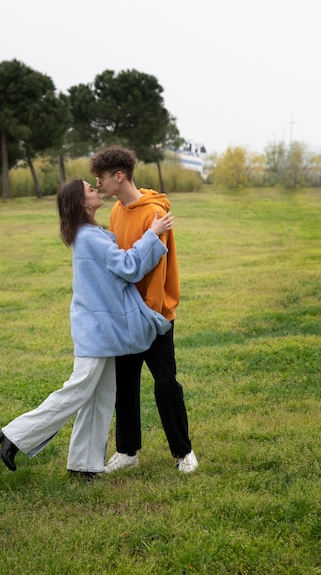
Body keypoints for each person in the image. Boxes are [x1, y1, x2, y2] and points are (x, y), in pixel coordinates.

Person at [0, 178, 173, 477]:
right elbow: (129, 267)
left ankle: (84, 466)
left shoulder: (88, 233)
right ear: (82, 203)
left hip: (101, 330)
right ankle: (16, 435)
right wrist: (152, 235)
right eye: (90, 189)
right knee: (77, 391)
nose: (96, 190)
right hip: (96, 331)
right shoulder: (90, 237)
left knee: (100, 397)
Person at [89, 145, 198, 474]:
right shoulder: (117, 210)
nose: (98, 185)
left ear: (119, 176)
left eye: (102, 178)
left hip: (153, 315)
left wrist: (151, 314)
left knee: (166, 383)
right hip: (125, 313)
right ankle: (127, 452)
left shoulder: (155, 214)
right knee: (125, 382)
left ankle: (184, 452)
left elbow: (154, 268)